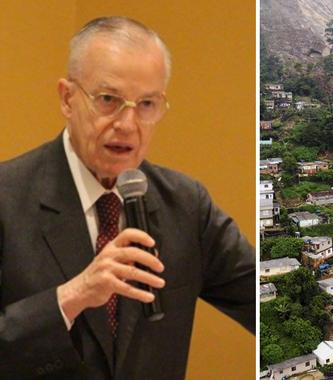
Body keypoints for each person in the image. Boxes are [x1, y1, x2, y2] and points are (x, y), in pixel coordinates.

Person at [0, 16, 255, 379]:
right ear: (67, 98)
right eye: (108, 100)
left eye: (147, 104)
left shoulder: (185, 204)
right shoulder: (6, 198)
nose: (127, 124)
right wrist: (71, 298)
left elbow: (258, 296)